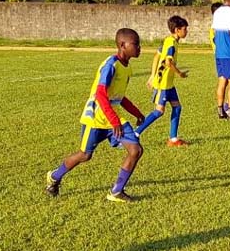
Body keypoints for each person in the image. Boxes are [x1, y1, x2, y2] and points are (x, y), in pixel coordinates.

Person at [46, 28, 146, 202]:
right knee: (85, 155)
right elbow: (100, 95)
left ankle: (116, 191)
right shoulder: (111, 65)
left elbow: (118, 97)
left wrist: (136, 113)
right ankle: (54, 176)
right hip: (96, 118)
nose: (139, 48)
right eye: (135, 44)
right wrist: (114, 121)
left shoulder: (127, 68)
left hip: (112, 119)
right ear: (122, 45)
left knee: (135, 150)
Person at [138, 15, 189, 147]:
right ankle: (135, 133)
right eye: (185, 29)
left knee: (177, 107)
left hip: (168, 83)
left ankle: (173, 139)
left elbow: (156, 57)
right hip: (163, 83)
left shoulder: (167, 40)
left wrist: (152, 75)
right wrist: (180, 74)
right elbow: (168, 62)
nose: (186, 31)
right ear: (177, 30)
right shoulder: (171, 44)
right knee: (159, 111)